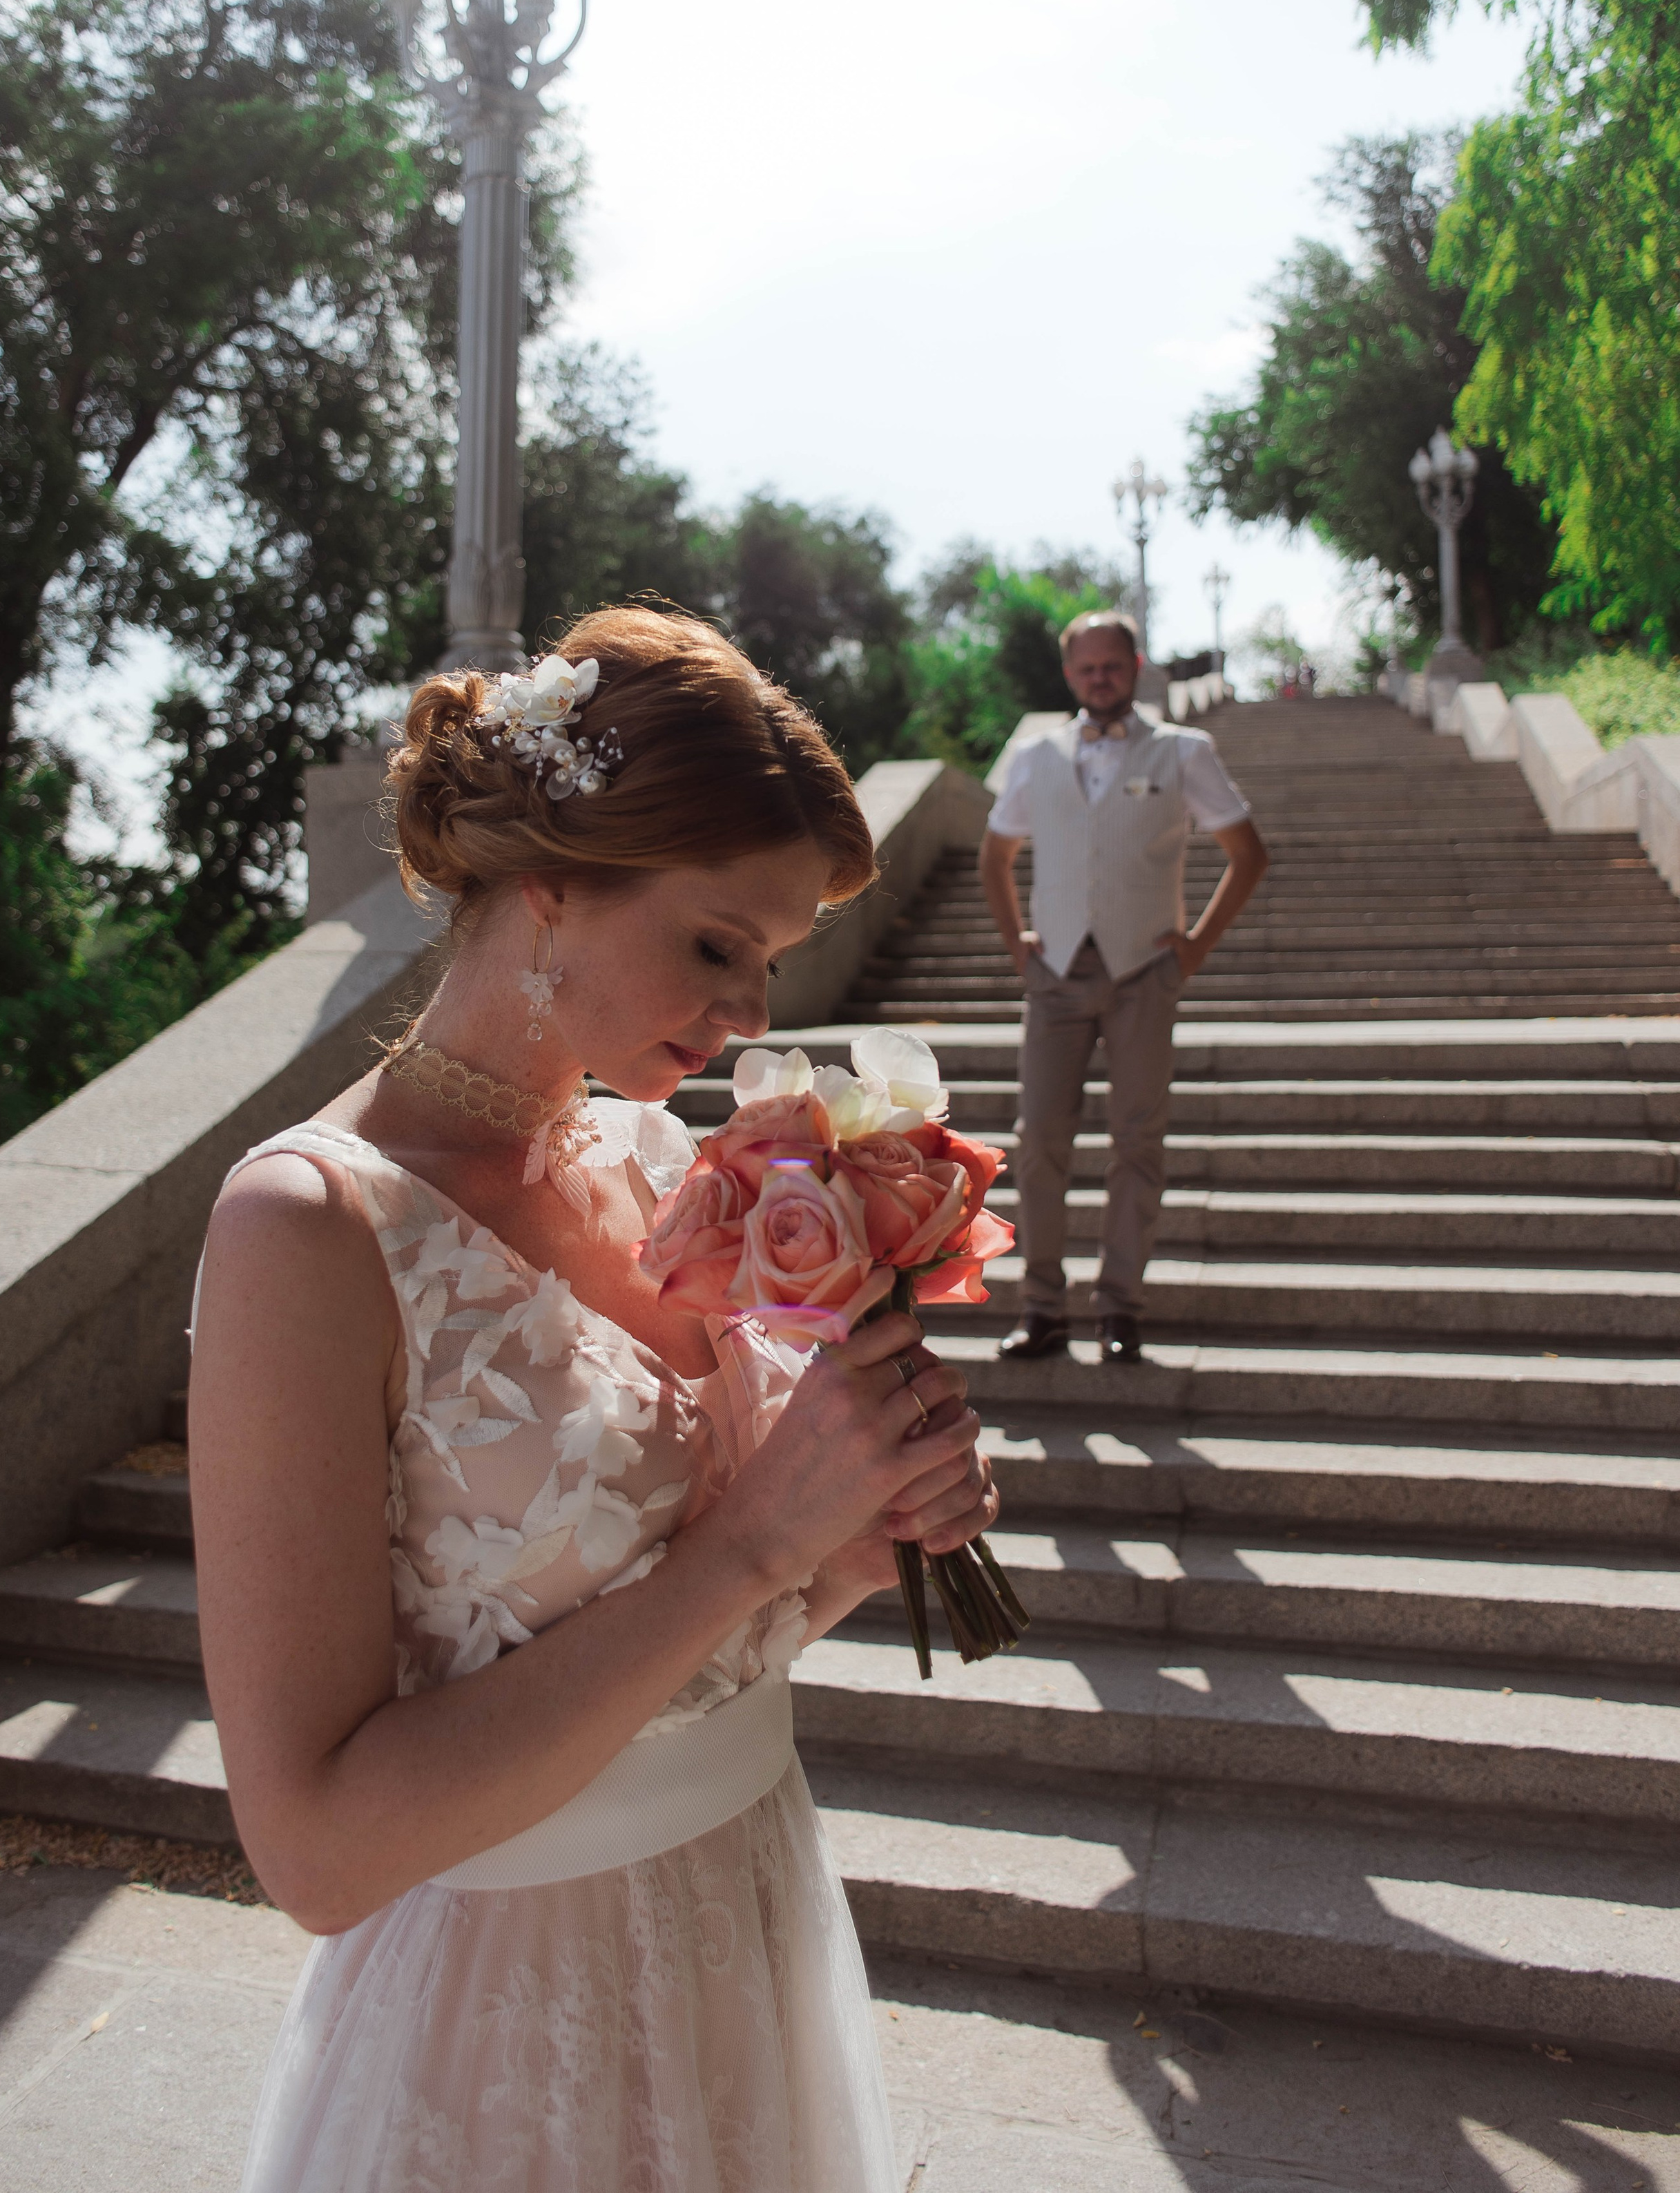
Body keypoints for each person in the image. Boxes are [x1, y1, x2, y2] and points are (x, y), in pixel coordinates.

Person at [189, 606, 998, 2193]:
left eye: (766, 959)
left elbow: (704, 1641)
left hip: (742, 1920)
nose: (754, 1012)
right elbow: (316, 1846)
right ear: (549, 894)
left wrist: (851, 1531)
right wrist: (760, 1544)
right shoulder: (308, 1225)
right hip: (499, 2022)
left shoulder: (653, 1162)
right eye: (717, 943)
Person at [978, 609, 1268, 1361]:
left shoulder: (1184, 751)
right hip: (1056, 977)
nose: (1098, 678)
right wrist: (1019, 945)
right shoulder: (1035, 756)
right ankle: (1041, 1307)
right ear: (1068, 675)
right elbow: (995, 855)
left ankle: (1118, 1308)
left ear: (1134, 667)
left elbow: (1247, 852)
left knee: (1137, 1143)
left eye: (1111, 665)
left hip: (1144, 972)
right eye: (1085, 668)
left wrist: (1195, 945)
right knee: (1038, 1141)